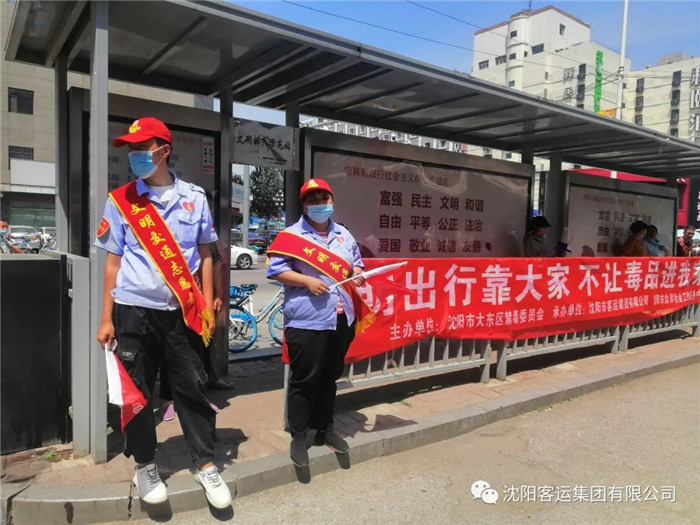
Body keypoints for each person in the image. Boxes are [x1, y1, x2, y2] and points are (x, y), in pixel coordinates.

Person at [94, 117, 231, 508]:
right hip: (133, 312)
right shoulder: (120, 200)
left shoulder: (194, 197)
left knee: (192, 388)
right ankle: (145, 464)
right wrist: (106, 318)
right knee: (136, 393)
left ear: (164, 151)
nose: (135, 155)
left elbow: (205, 253)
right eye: (132, 149)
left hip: (181, 313)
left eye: (142, 148)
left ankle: (205, 463)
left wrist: (207, 303)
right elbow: (112, 263)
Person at [266, 178, 367, 468]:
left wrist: (357, 273)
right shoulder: (290, 236)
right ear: (304, 205)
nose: (320, 204)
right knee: (303, 380)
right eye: (313, 200)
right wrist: (307, 281)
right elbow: (276, 270)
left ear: (331, 201)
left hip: (340, 319)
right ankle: (299, 436)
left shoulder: (343, 234)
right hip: (307, 320)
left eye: (324, 199)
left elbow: (356, 263)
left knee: (329, 378)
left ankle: (325, 429)